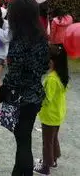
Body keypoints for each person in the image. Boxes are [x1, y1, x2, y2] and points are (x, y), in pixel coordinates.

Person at [0, 0, 50, 176]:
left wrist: (1, 92)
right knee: (24, 139)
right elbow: (42, 67)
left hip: (21, 99)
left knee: (23, 141)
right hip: (35, 96)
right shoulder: (41, 38)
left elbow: (15, 75)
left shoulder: (19, 42)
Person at [34, 44, 69, 175]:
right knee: (53, 138)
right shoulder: (61, 75)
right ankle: (53, 160)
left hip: (49, 116)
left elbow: (46, 98)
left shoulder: (51, 79)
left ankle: (45, 167)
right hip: (57, 114)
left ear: (51, 61)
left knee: (47, 142)